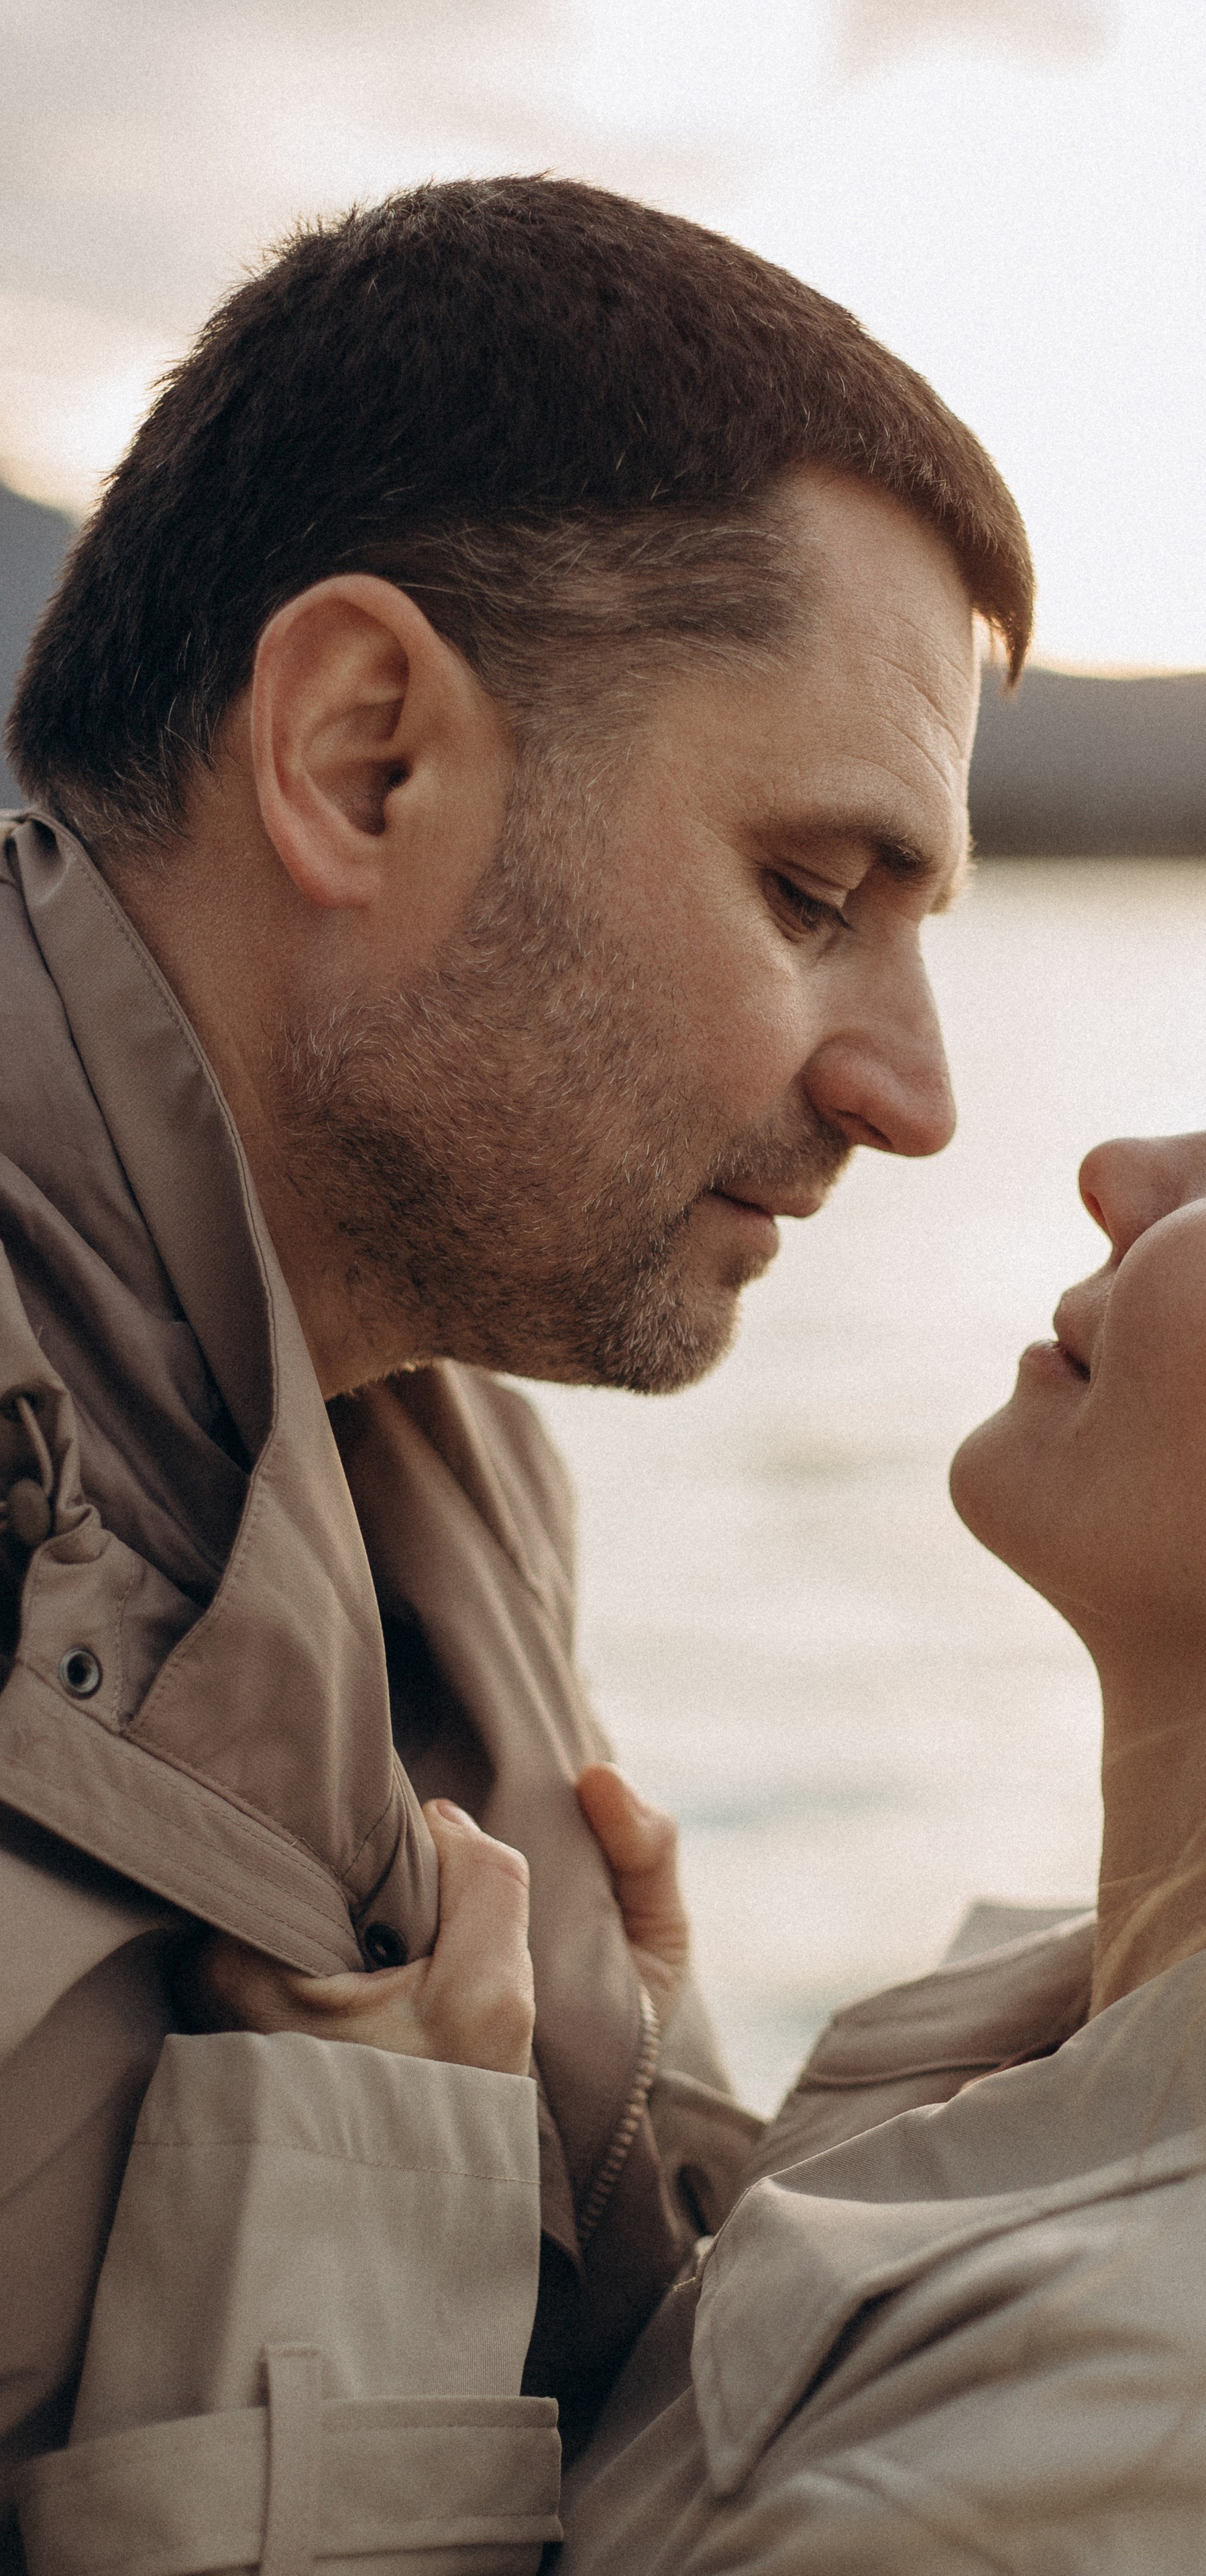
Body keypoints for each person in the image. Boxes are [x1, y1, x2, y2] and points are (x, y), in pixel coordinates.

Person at [46, 757, 1206, 2574]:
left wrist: (348, 2233)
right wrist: (648, 2107)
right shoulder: (1095, 2101)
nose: (1115, 1169)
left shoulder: (1173, 2455)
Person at [0, 174, 1032, 2556]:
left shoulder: (438, 1456)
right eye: (811, 893)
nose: (917, 1089)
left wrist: (623, 2083)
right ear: (364, 759)